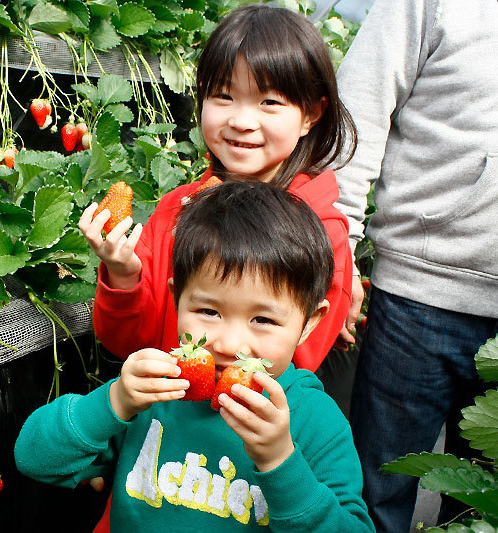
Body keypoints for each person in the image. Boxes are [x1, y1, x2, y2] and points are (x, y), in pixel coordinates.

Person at [17, 181, 375, 531]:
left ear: (309, 323)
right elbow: (35, 459)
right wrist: (115, 401)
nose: (229, 343)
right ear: (177, 300)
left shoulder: (311, 419)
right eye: (208, 311)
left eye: (262, 319)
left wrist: (280, 461)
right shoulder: (155, 391)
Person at [80, 4, 358, 373]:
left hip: (252, 424)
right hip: (166, 416)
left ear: (311, 114)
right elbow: (128, 344)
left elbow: (299, 365)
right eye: (224, 96)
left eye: (269, 102)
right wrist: (123, 274)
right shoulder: (176, 209)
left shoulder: (322, 230)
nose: (241, 121)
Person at [333, 0, 498, 531]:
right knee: (375, 490)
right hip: (419, 295)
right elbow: (356, 113)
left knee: (485, 507)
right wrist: (338, 260)